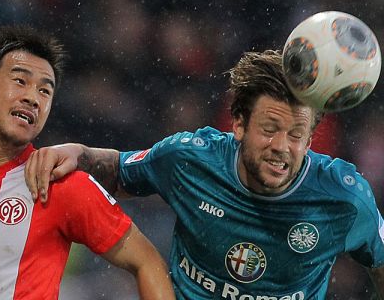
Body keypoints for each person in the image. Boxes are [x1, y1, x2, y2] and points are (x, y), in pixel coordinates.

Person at [25, 50, 384, 299]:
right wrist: (79, 154)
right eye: (270, 128)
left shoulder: (344, 198)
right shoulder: (190, 159)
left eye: (296, 136)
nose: (281, 146)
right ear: (238, 124)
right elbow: (120, 171)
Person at [0, 26, 175, 300]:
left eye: (45, 91)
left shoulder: (60, 186)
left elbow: (147, 263)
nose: (33, 98)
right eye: (20, 81)